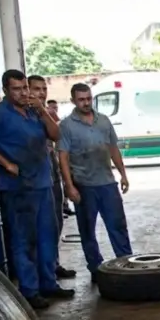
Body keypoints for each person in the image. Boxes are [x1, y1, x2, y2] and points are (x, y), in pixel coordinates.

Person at [0, 69, 75, 309]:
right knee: (23, 241)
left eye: (25, 88)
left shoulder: (33, 112)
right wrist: (5, 163)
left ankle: (49, 284)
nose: (23, 93)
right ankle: (30, 290)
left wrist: (42, 110)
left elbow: (56, 135)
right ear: (6, 90)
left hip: (43, 183)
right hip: (17, 188)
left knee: (47, 236)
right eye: (17, 89)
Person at [58, 83, 133, 283]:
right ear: (73, 101)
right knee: (87, 230)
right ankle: (95, 269)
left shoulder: (103, 121)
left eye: (88, 99)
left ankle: (126, 264)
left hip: (107, 183)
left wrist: (123, 174)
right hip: (83, 185)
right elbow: (63, 157)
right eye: (81, 99)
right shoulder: (66, 126)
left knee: (117, 226)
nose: (86, 103)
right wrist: (69, 185)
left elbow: (113, 149)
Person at [28, 76, 77, 280]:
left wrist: (43, 111)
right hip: (31, 179)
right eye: (36, 89)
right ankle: (40, 273)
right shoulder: (23, 114)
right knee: (36, 230)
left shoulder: (44, 114)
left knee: (55, 222)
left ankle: (52, 264)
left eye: (43, 89)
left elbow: (57, 135)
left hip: (51, 171)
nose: (41, 93)